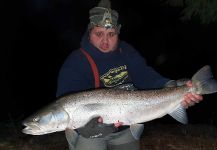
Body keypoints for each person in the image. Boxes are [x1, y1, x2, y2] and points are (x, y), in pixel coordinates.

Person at [56, 0, 203, 149]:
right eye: (99, 33)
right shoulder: (75, 62)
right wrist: (85, 128)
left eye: (111, 34)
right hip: (89, 133)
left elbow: (145, 75)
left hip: (127, 127)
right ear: (90, 33)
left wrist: (171, 86)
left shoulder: (125, 51)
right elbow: (66, 100)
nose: (105, 41)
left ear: (118, 33)